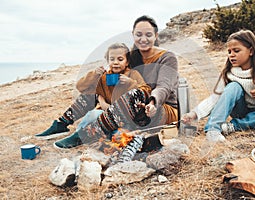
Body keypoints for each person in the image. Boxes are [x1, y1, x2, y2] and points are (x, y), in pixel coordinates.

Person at [53, 15, 179, 148]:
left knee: (136, 94)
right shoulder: (132, 57)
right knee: (97, 89)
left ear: (156, 35)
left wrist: (153, 102)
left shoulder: (167, 57)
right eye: (139, 34)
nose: (143, 39)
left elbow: (164, 87)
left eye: (148, 34)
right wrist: (101, 95)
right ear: (133, 35)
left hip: (159, 109)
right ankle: (62, 123)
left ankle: (85, 135)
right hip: (134, 107)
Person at [182, 29, 255, 142]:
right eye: (229, 52)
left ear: (251, 51)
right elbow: (215, 98)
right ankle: (213, 130)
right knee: (233, 86)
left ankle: (234, 126)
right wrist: (194, 114)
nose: (232, 55)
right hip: (241, 110)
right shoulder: (228, 73)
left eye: (236, 51)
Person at [36, 43, 151, 145]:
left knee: (98, 118)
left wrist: (131, 83)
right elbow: (81, 87)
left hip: (124, 116)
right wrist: (94, 74)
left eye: (120, 59)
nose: (115, 62)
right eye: (112, 59)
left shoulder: (132, 74)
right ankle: (62, 124)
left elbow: (145, 91)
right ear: (108, 61)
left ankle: (81, 135)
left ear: (127, 62)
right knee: (90, 98)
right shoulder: (105, 76)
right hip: (105, 114)